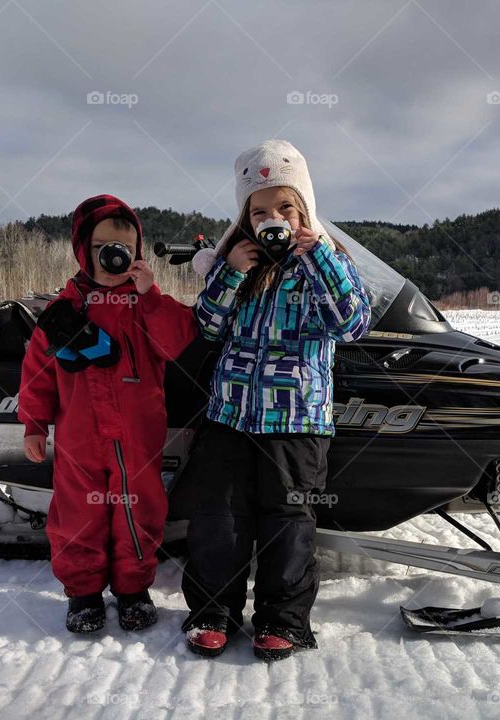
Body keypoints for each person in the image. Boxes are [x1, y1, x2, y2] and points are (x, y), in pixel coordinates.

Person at [181, 140, 371, 661]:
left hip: (297, 419)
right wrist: (230, 273)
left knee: (289, 523)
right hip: (230, 415)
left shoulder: (329, 261)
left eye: (285, 206)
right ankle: (213, 612)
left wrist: (322, 259)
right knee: (219, 518)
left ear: (304, 209)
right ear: (245, 218)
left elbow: (351, 325)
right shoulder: (236, 265)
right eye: (259, 210)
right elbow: (207, 327)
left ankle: (283, 620)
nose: (273, 218)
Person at [18, 194, 197, 633]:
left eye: (122, 249)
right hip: (82, 436)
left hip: (138, 436)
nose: (112, 258)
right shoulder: (65, 311)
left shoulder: (146, 304)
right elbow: (37, 373)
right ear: (83, 250)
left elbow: (179, 341)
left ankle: (133, 589)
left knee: (139, 510)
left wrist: (150, 294)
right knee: (79, 513)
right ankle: (83, 594)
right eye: (102, 249)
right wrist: (34, 424)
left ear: (136, 253)